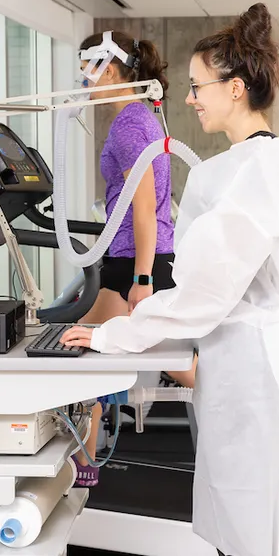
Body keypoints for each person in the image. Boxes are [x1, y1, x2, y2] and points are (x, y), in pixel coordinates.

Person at [62, 3, 279, 556]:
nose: (189, 99)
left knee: (251, 536)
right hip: (246, 357)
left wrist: (114, 332)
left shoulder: (241, 173)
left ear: (235, 88)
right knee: (245, 525)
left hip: (243, 366)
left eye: (198, 86)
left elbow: (204, 294)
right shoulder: (278, 159)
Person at [72, 31, 188, 487]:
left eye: (88, 67)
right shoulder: (140, 119)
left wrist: (142, 277)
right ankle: (85, 465)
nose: (82, 78)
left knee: (82, 352)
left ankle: (84, 467)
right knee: (92, 357)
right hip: (133, 257)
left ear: (111, 68)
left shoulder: (129, 124)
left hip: (137, 261)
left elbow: (142, 206)